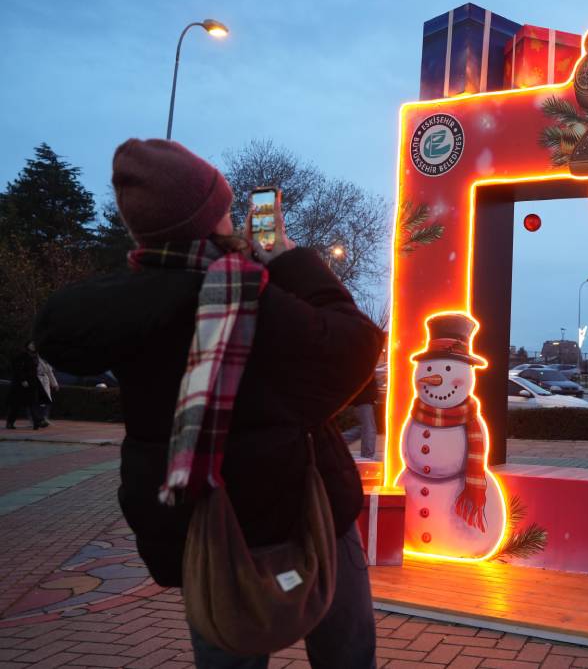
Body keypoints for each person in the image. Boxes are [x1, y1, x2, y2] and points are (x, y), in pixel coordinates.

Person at [34, 138, 382, 668]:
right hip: (304, 511)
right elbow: (354, 347)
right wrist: (289, 259)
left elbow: (58, 324)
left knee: (226, 652)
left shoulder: (131, 308)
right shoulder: (252, 293)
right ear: (211, 218)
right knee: (345, 650)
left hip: (200, 523)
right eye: (222, 205)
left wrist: (165, 282)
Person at [6, 343, 39, 429]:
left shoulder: (35, 357)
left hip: (31, 384)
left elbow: (34, 371)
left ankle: (36, 423)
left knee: (32, 404)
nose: (33, 346)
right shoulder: (21, 357)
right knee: (16, 405)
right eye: (31, 345)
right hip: (20, 385)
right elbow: (18, 369)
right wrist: (23, 380)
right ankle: (10, 422)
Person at [31, 345, 58, 427]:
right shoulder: (34, 359)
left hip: (45, 381)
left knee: (47, 401)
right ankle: (37, 419)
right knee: (36, 402)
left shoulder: (46, 360)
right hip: (36, 380)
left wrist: (55, 384)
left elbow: (50, 373)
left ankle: (44, 418)